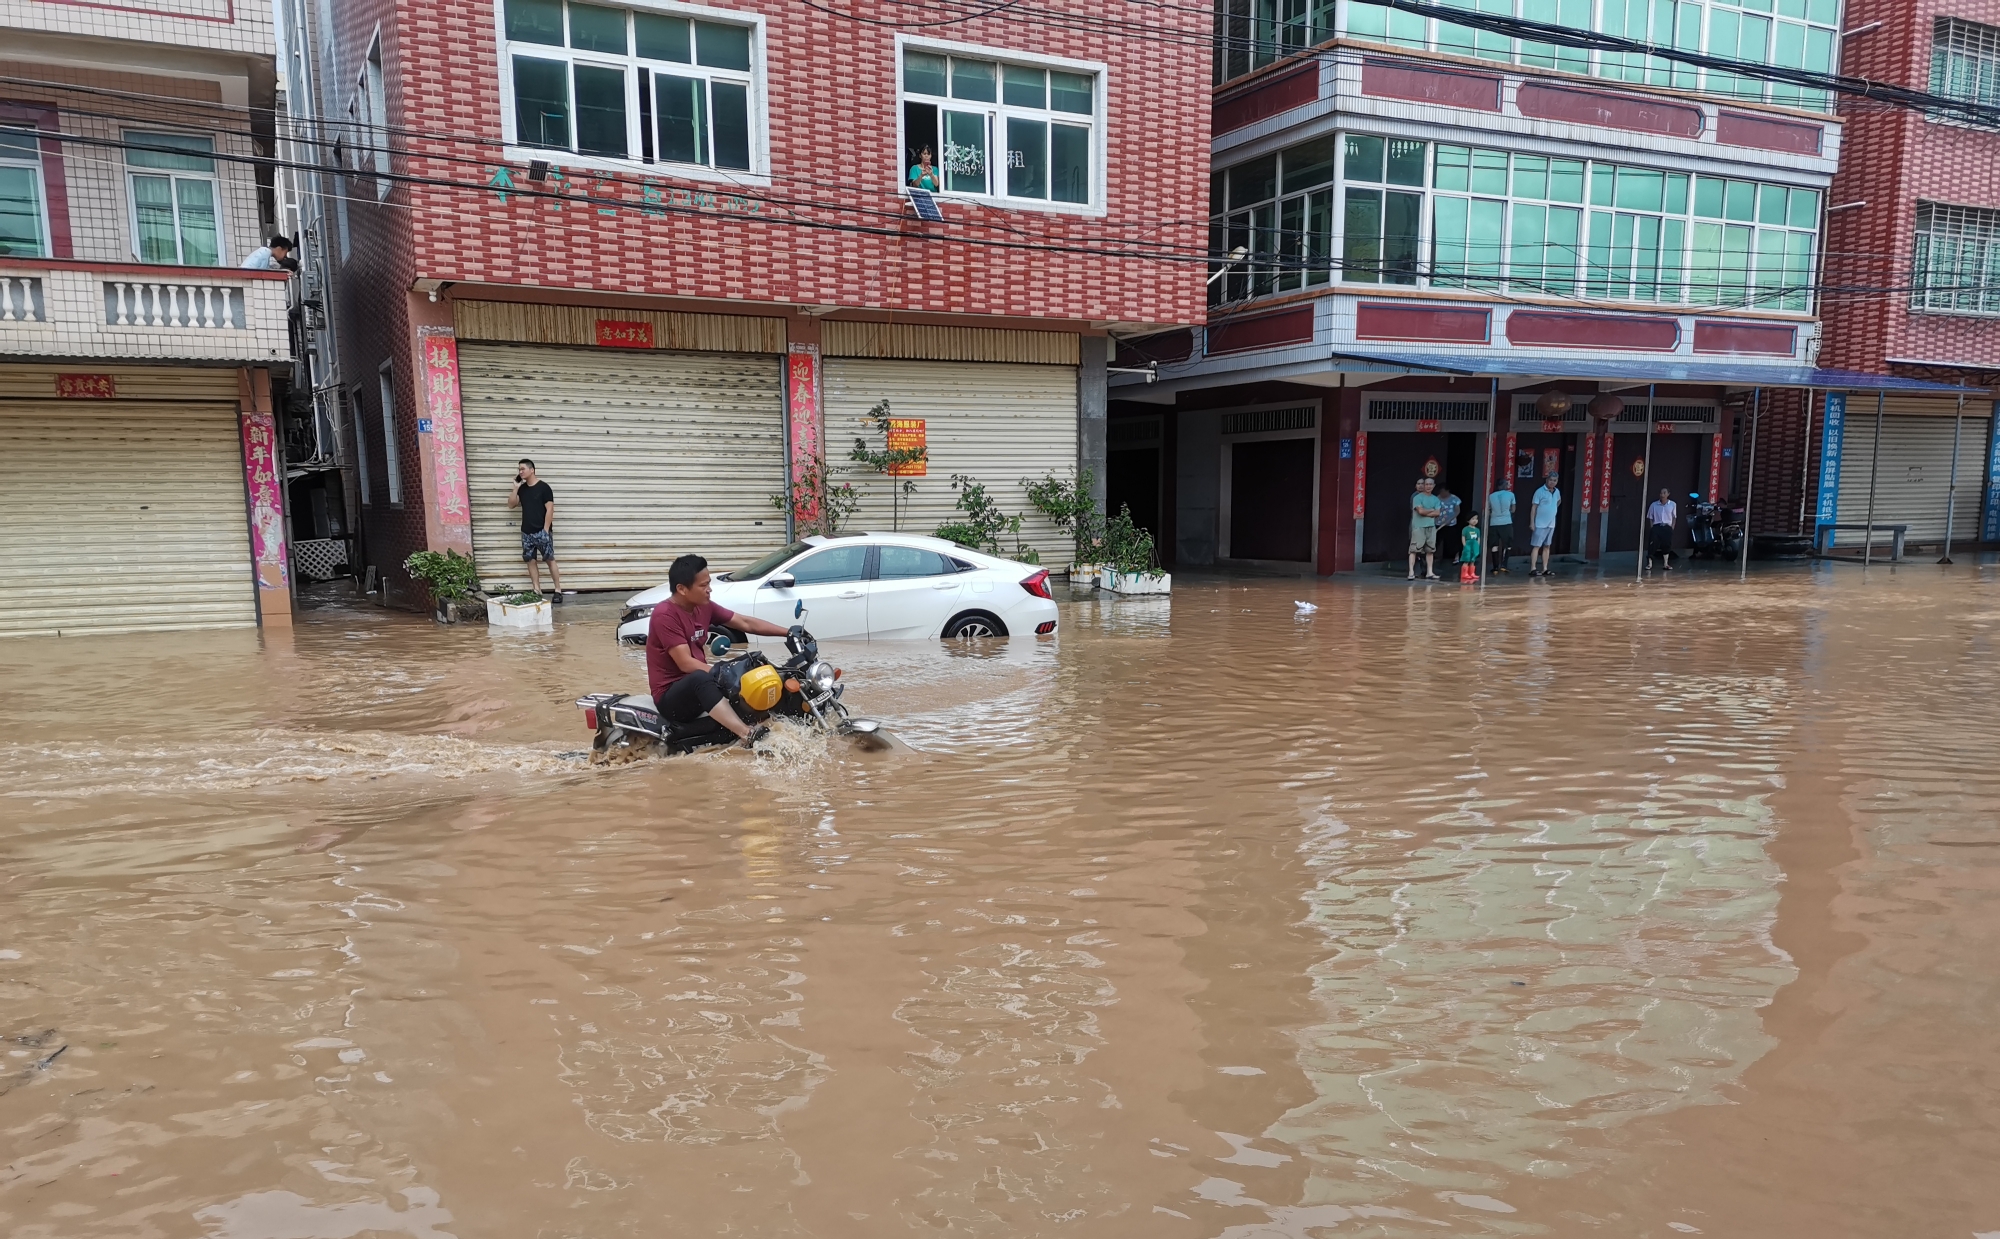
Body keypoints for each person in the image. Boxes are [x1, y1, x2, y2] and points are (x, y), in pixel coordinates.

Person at [648, 553, 796, 749]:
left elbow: (744, 622)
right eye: (703, 586)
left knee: (752, 663)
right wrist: (720, 673)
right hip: (671, 696)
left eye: (708, 583)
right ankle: (747, 734)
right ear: (682, 589)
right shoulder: (665, 614)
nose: (709, 590)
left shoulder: (704, 607)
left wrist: (789, 632)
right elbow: (685, 663)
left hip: (699, 686)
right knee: (703, 677)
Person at [506, 458, 564, 600]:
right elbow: (511, 504)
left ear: (532, 470)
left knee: (550, 559)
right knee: (530, 560)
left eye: (523, 469)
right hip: (527, 531)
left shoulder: (544, 488)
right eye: (519, 469)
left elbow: (550, 509)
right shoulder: (523, 489)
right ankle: (536, 590)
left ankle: (558, 590)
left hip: (541, 531)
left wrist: (545, 530)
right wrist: (515, 487)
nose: (520, 472)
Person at [1408, 477, 1443, 581]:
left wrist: (1427, 511)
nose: (1428, 486)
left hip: (1431, 527)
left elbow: (1437, 513)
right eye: (1426, 484)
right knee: (1414, 549)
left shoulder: (1435, 499)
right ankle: (1411, 572)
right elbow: (1420, 512)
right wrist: (1431, 511)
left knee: (1430, 550)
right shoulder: (1417, 497)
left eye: (1430, 484)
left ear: (1433, 486)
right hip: (1418, 526)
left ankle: (1430, 572)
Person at [1528, 474, 1562, 577]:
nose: (1552, 482)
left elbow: (1558, 501)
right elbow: (1534, 507)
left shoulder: (1557, 491)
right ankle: (1533, 568)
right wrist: (1532, 522)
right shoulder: (1539, 491)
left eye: (1554, 480)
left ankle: (1545, 568)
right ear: (1547, 480)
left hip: (1551, 523)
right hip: (1539, 523)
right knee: (1536, 546)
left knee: (1547, 546)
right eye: (1551, 480)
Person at [1485, 479, 1516, 574]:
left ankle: (1495, 567)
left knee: (1494, 545)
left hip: (1494, 523)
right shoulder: (1511, 495)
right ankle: (1504, 565)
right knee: (1507, 545)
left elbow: (1488, 510)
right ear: (1504, 485)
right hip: (1506, 522)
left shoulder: (1491, 496)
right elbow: (1513, 509)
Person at [1646, 487, 1679, 571]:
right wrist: (1652, 527)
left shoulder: (1672, 504)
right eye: (1661, 493)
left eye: (1664, 493)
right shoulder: (1654, 504)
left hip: (1667, 527)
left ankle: (1666, 563)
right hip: (1656, 526)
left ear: (1668, 494)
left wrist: (1672, 527)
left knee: (1666, 545)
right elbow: (1650, 517)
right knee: (1652, 544)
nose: (1662, 495)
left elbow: (1674, 517)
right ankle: (1649, 564)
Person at [1435, 485, 1462, 563]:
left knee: (1452, 541)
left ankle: (1456, 557)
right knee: (1436, 540)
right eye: (1440, 491)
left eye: (1443, 491)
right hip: (1439, 523)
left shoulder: (1454, 499)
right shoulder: (1437, 498)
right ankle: (1434, 556)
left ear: (1447, 491)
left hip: (1451, 524)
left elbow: (1457, 511)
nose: (1442, 493)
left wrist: (1450, 519)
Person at [1458, 513, 1482, 584]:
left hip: (1474, 545)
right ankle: (1464, 573)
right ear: (1468, 520)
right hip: (1468, 545)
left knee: (1473, 560)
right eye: (1473, 519)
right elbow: (1463, 537)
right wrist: (1465, 545)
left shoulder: (1477, 530)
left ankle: (1472, 573)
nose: (1475, 520)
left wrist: (1478, 545)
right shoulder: (1465, 529)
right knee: (1466, 560)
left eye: (1476, 519)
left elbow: (1478, 538)